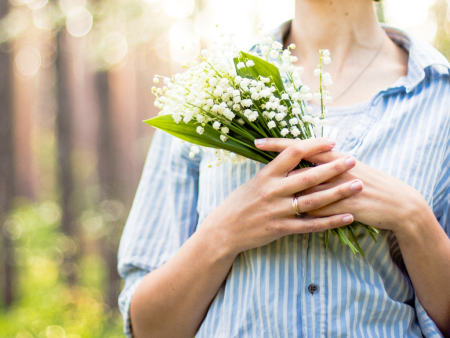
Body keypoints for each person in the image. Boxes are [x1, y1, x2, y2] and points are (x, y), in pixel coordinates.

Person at [118, 0, 450, 337]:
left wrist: (413, 218)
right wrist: (224, 233)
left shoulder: (440, 99)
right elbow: (149, 329)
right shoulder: (205, 94)